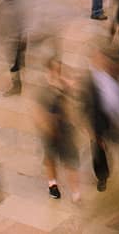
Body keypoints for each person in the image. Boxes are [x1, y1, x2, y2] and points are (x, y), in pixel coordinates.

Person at [36, 58, 81, 201]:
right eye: (55, 69)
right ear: (49, 70)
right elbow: (38, 111)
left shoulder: (63, 85)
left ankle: (75, 192)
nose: (58, 72)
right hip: (49, 129)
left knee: (70, 160)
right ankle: (52, 184)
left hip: (65, 128)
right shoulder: (43, 88)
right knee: (50, 157)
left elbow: (72, 103)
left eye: (59, 69)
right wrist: (46, 125)